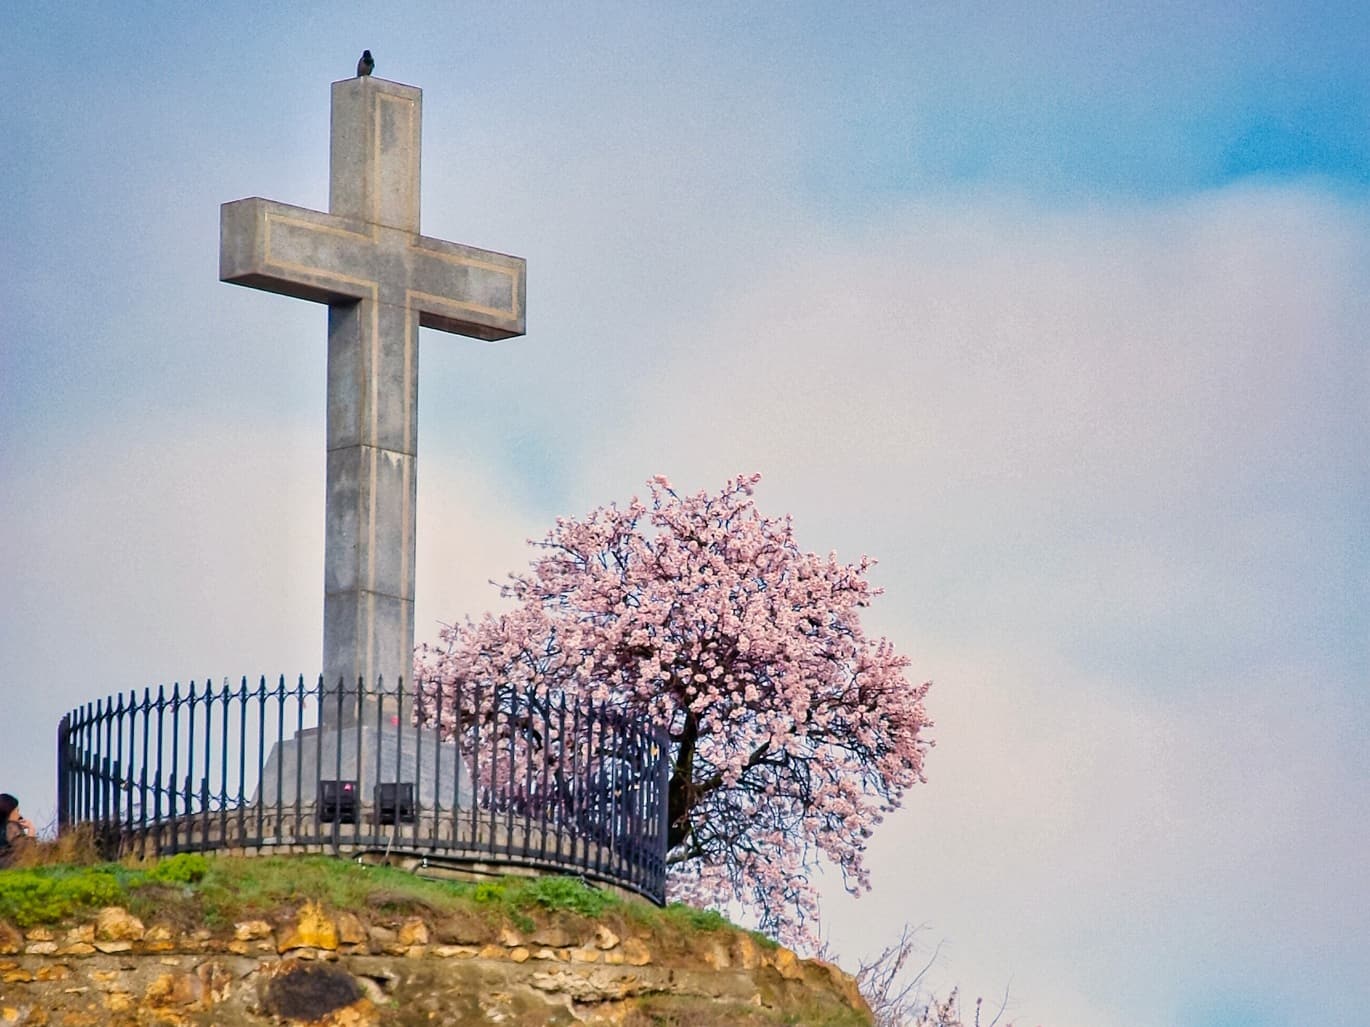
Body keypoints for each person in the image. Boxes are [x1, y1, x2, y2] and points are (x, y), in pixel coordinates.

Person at [0, 793, 34, 865]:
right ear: (10, 811)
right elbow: (26, 851)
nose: (19, 815)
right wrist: (31, 830)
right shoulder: (11, 827)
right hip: (8, 866)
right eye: (17, 811)